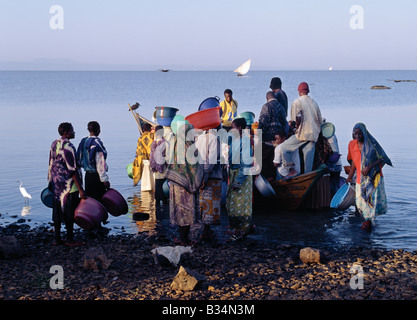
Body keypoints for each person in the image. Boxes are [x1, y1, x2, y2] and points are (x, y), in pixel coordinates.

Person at [346, 123, 393, 231]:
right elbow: (353, 161)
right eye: (355, 134)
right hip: (359, 179)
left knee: (370, 201)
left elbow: (382, 158)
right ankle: (367, 221)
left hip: (373, 178)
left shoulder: (371, 145)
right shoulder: (352, 144)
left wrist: (368, 167)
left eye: (359, 134)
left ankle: (367, 223)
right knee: (360, 202)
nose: (357, 136)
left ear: (364, 133)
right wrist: (349, 176)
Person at [166, 121, 204, 245]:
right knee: (187, 213)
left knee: (179, 212)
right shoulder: (190, 147)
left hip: (175, 184)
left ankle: (180, 237)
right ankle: (184, 239)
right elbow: (196, 166)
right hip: (186, 186)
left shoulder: (174, 146)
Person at [48, 122, 86, 246]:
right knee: (69, 212)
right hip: (68, 186)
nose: (74, 132)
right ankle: (70, 239)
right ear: (66, 132)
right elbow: (72, 169)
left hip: (56, 184)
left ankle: (57, 239)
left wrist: (50, 181)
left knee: (57, 212)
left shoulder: (54, 144)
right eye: (72, 130)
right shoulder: (69, 147)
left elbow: (51, 163)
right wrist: (80, 189)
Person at [281, 82, 322, 175]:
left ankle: (291, 169)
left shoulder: (297, 102)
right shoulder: (314, 103)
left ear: (299, 92)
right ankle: (307, 183)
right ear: (308, 91)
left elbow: (294, 121)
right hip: (313, 135)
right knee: (308, 166)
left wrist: (292, 129)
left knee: (284, 148)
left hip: (302, 134)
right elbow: (320, 121)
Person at [226, 118, 253, 241]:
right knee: (233, 202)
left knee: (242, 204)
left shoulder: (245, 141)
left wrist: (238, 181)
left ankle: (243, 230)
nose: (231, 130)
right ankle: (237, 227)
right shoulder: (234, 140)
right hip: (234, 173)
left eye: (233, 127)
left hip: (241, 175)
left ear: (240, 128)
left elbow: (246, 164)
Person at [195, 126, 223, 242]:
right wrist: (205, 177)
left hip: (200, 174)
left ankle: (204, 230)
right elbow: (210, 162)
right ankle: (206, 231)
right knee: (210, 206)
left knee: (202, 204)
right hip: (211, 177)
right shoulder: (213, 139)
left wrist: (200, 176)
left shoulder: (198, 138)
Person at [258, 91, 288, 180]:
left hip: (268, 139)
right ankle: (275, 178)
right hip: (279, 139)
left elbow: (262, 122)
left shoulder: (266, 106)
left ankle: (268, 178)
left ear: (267, 98)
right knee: (275, 159)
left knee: (263, 158)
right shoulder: (281, 107)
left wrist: (259, 137)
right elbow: (284, 122)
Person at [77, 121, 110, 201]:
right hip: (97, 177)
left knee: (90, 202)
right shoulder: (97, 143)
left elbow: (79, 159)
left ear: (88, 129)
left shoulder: (84, 141)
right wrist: (105, 180)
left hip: (87, 176)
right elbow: (100, 163)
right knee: (99, 201)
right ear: (99, 130)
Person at [150, 125, 169, 207]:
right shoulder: (166, 142)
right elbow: (168, 157)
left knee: (158, 190)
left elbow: (151, 157)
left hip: (157, 170)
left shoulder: (153, 143)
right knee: (164, 191)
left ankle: (158, 213)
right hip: (164, 169)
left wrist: (153, 166)